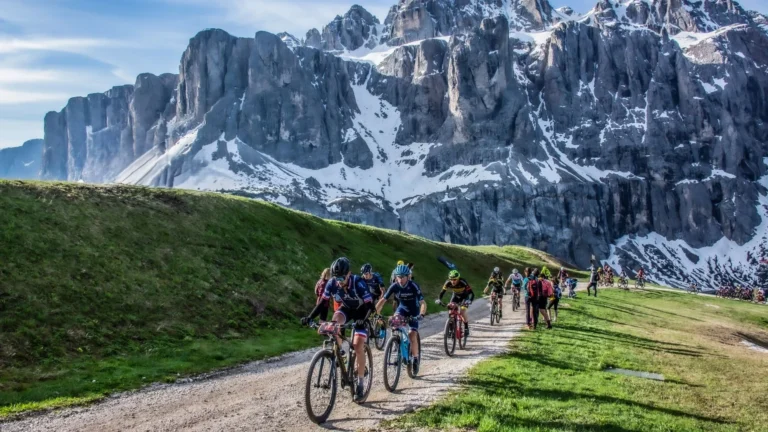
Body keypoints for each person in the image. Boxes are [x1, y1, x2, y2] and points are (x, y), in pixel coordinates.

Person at [302, 257, 373, 401]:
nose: (339, 280)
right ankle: (339, 352)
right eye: (336, 277)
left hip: (361, 311)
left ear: (349, 274)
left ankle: (360, 383)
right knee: (335, 321)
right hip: (346, 309)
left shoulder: (358, 283)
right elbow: (323, 302)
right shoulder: (332, 283)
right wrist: (310, 317)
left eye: (342, 277)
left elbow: (370, 306)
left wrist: (363, 320)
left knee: (358, 344)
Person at [376, 264, 426, 374]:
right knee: (394, 323)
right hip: (402, 309)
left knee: (412, 334)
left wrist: (421, 314)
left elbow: (423, 303)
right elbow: (383, 300)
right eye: (398, 276)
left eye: (403, 277)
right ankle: (396, 343)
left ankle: (416, 359)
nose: (400, 279)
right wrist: (375, 312)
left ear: (408, 277)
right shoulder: (394, 286)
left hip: (414, 311)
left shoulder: (413, 286)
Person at [436, 270, 474, 336]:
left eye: (455, 279)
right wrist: (439, 299)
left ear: (458, 278)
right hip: (455, 296)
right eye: (451, 279)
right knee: (450, 311)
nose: (453, 281)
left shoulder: (463, 282)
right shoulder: (448, 282)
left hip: (465, 297)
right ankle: (451, 329)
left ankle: (466, 328)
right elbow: (442, 292)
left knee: (462, 312)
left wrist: (469, 300)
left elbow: (471, 293)